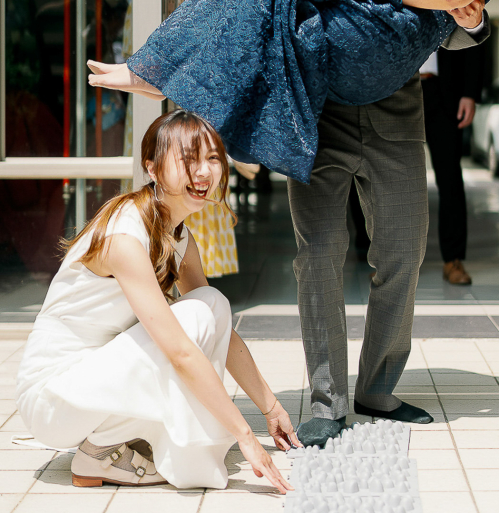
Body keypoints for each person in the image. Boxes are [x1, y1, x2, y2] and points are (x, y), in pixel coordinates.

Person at [88, 0, 499, 445]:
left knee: (402, 254)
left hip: (390, 108)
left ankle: (378, 386)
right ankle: (325, 402)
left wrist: (467, 16)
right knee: (318, 255)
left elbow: (455, 6)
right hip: (318, 104)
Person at [16, 110, 299, 491]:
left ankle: (118, 438)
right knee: (196, 317)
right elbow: (180, 351)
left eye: (212, 158)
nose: (203, 173)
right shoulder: (126, 234)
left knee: (211, 305)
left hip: (88, 384)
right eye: (188, 159)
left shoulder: (178, 238)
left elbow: (220, 332)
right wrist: (245, 435)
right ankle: (98, 453)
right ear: (151, 168)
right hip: (53, 400)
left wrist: (271, 408)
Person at [122, 0, 241, 278]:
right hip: (152, 107)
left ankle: (197, 275)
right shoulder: (139, 4)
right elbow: (135, 61)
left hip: (196, 109)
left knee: (197, 178)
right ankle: (155, 270)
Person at [420, 41, 485, 286]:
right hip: (400, 90)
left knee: (450, 180)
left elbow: (473, 37)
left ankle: (454, 260)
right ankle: (390, 261)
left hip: (444, 90)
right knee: (392, 180)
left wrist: (470, 93)